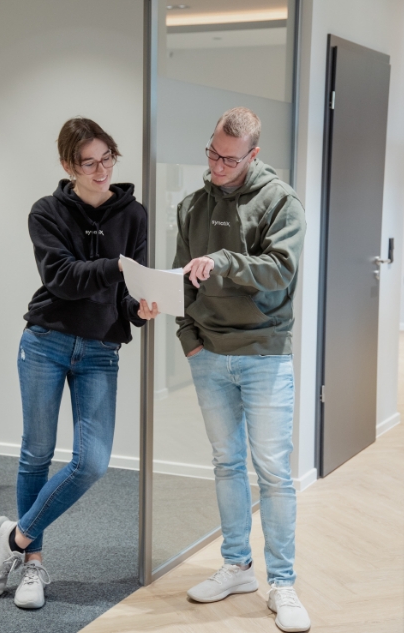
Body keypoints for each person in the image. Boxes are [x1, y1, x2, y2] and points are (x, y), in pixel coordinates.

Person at [0, 117, 158, 610]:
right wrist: (119, 267)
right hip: (45, 340)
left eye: (109, 157)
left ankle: (13, 539)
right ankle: (34, 563)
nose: (102, 168)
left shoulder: (135, 215)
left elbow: (129, 293)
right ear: (69, 165)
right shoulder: (46, 211)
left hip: (101, 348)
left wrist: (140, 307)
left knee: (92, 462)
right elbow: (62, 278)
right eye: (90, 161)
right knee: (35, 455)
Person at [173, 107, 310, 633]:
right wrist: (189, 340)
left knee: (273, 472)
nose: (216, 165)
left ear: (253, 155)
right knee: (226, 463)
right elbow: (181, 280)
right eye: (211, 152)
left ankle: (283, 583)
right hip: (209, 353)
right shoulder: (192, 205)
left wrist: (226, 260)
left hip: (264, 353)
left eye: (228, 158)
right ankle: (236, 567)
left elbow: (280, 273)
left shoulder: (281, 201)